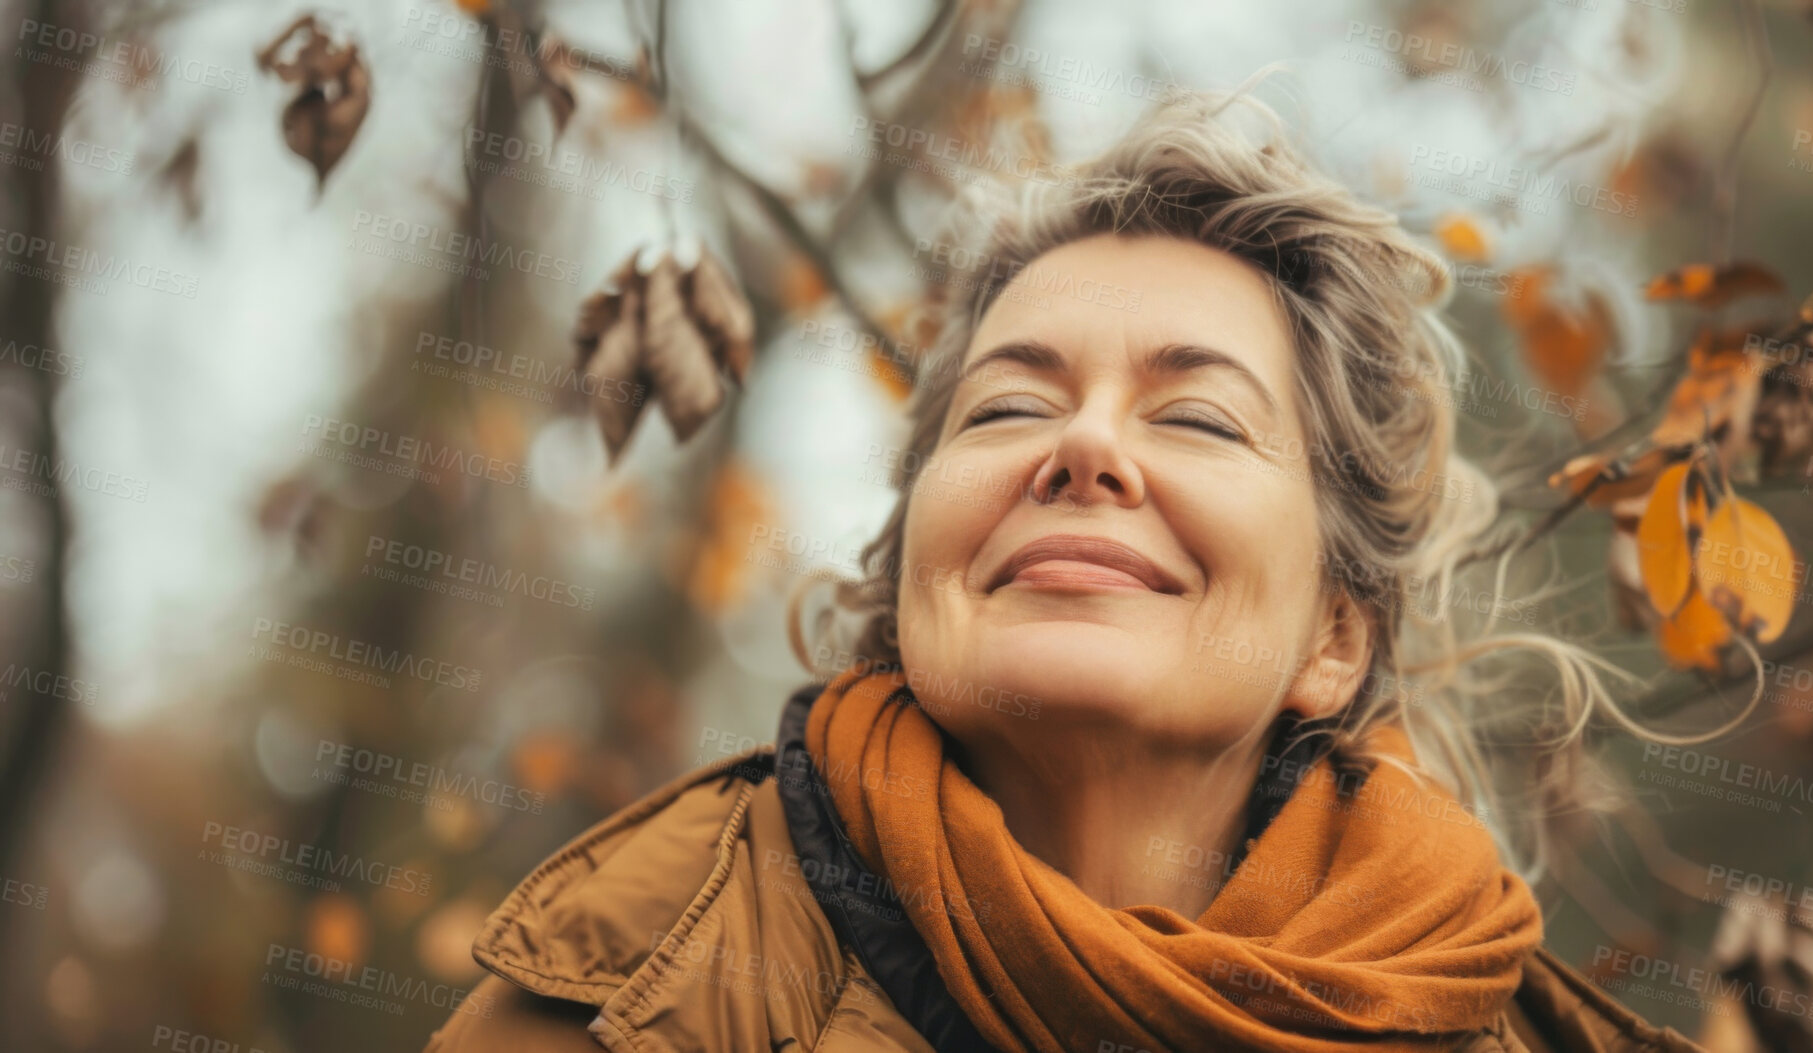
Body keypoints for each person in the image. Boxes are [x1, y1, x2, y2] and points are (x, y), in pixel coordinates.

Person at [422, 86, 1706, 1052]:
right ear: (912, 565)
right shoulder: (614, 986)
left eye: (1196, 418)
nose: (1084, 445)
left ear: (1334, 635)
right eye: (1005, 410)